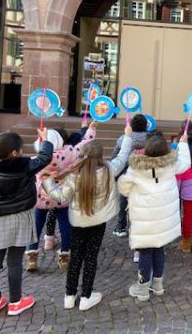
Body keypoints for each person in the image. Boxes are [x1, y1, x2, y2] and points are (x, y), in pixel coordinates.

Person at [42, 124, 133, 311]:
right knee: (91, 257)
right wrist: (127, 136)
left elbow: (60, 197)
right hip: (98, 221)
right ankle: (86, 296)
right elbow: (123, 157)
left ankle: (69, 296)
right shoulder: (109, 169)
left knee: (76, 257)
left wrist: (47, 182)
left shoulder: (74, 176)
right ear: (100, 156)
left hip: (78, 221)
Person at [0, 129, 53, 317]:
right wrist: (46, 140)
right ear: (15, 153)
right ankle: (16, 303)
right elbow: (44, 158)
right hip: (19, 218)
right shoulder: (24, 165)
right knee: (15, 262)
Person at [117, 133, 191, 301]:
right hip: (163, 217)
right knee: (159, 248)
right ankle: (157, 284)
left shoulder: (136, 168)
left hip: (144, 216)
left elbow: (123, 186)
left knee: (145, 250)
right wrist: (183, 144)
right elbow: (185, 163)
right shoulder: (170, 166)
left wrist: (131, 194)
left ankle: (142, 287)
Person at [26, 122, 97, 272]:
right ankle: (64, 256)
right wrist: (91, 129)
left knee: (36, 227)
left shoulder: (39, 157)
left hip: (41, 198)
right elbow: (85, 143)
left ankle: (32, 257)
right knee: (65, 226)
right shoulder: (69, 153)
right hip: (60, 198)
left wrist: (42, 139)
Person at [44, 126, 90, 251]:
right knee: (65, 221)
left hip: (48, 192)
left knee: (51, 215)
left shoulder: (46, 155)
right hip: (66, 192)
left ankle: (48, 239)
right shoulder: (70, 153)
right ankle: (66, 250)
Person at [112, 115, 149, 238]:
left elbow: (116, 155)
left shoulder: (124, 138)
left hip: (125, 173)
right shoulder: (150, 139)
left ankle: (121, 226)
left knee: (123, 200)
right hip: (143, 174)